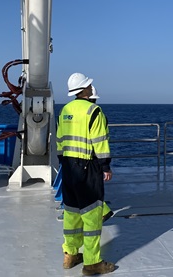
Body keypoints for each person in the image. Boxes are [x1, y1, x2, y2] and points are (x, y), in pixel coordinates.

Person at [56, 73, 115, 275]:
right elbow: (100, 142)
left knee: (71, 214)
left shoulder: (65, 110)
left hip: (68, 168)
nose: (92, 88)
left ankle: (70, 255)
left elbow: (59, 140)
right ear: (83, 90)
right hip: (88, 168)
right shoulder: (94, 111)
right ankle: (92, 263)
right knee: (91, 217)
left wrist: (64, 163)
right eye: (89, 85)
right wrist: (105, 167)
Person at [89, 85, 114, 223]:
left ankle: (103, 211)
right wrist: (105, 166)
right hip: (94, 157)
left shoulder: (71, 111)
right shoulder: (99, 114)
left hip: (83, 158)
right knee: (94, 187)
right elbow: (101, 141)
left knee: (89, 188)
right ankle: (102, 211)